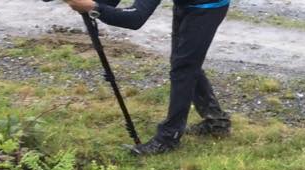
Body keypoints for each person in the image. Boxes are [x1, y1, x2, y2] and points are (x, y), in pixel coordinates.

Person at [64, 0, 232, 156]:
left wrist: (93, 7)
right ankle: (217, 122)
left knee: (183, 69)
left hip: (207, 7)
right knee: (184, 63)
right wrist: (92, 3)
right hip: (186, 4)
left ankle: (168, 138)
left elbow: (135, 19)